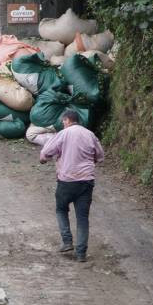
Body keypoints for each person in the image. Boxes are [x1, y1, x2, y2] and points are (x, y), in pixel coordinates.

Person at [39, 110, 104, 262]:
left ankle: (67, 241)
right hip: (86, 181)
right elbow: (100, 156)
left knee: (61, 209)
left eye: (63, 121)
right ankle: (81, 253)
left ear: (67, 120)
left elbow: (46, 152)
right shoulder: (90, 134)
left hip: (67, 181)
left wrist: (44, 159)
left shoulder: (64, 133)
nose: (63, 124)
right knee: (82, 218)